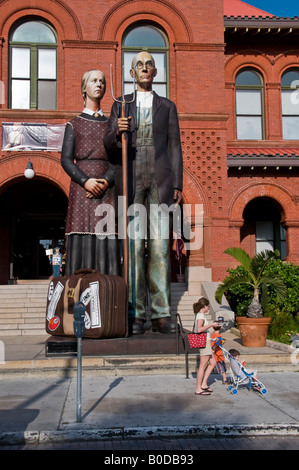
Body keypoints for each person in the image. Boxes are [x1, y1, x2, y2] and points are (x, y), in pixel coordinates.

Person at [104, 51, 183, 335]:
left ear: (155, 72)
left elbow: (175, 146)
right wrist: (116, 131)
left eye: (149, 64)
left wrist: (177, 184)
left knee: (160, 249)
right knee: (134, 249)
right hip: (132, 177)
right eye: (139, 65)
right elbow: (108, 147)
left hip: (160, 181)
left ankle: (161, 315)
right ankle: (135, 314)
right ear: (131, 72)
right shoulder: (121, 104)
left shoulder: (167, 106)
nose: (145, 68)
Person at [61, 69, 120, 276]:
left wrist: (106, 181)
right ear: (83, 88)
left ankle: (108, 293)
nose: (99, 84)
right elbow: (66, 160)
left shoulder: (112, 126)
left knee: (107, 237)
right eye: (94, 80)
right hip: (81, 190)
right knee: (81, 236)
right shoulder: (73, 124)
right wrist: (85, 181)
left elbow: (118, 160)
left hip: (107, 190)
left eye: (102, 81)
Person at [193, 297, 220, 396]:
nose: (208, 308)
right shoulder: (200, 315)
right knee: (202, 366)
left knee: (213, 362)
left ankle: (204, 384)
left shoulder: (201, 315)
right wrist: (211, 325)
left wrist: (211, 339)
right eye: (208, 306)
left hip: (207, 341)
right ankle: (198, 389)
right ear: (204, 306)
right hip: (204, 343)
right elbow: (199, 330)